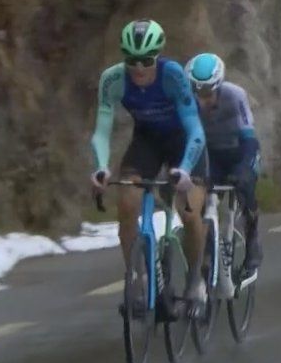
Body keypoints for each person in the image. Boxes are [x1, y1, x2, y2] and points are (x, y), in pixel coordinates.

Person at [89, 20, 209, 305]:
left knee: (189, 213)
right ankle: (137, 276)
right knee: (127, 202)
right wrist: (101, 166)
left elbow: (195, 128)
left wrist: (185, 169)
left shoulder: (173, 75)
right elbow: (102, 131)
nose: (139, 68)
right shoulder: (113, 79)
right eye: (132, 60)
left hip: (182, 141)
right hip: (147, 141)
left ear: (158, 55)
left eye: (147, 60)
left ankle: (195, 277)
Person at [186, 53, 263, 278]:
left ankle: (252, 238)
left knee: (246, 185)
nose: (203, 101)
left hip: (238, 150)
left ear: (219, 87)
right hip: (210, 154)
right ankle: (206, 250)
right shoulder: (187, 101)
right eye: (198, 94)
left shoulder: (235, 95)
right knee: (199, 196)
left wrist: (245, 169)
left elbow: (249, 138)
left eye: (208, 94)